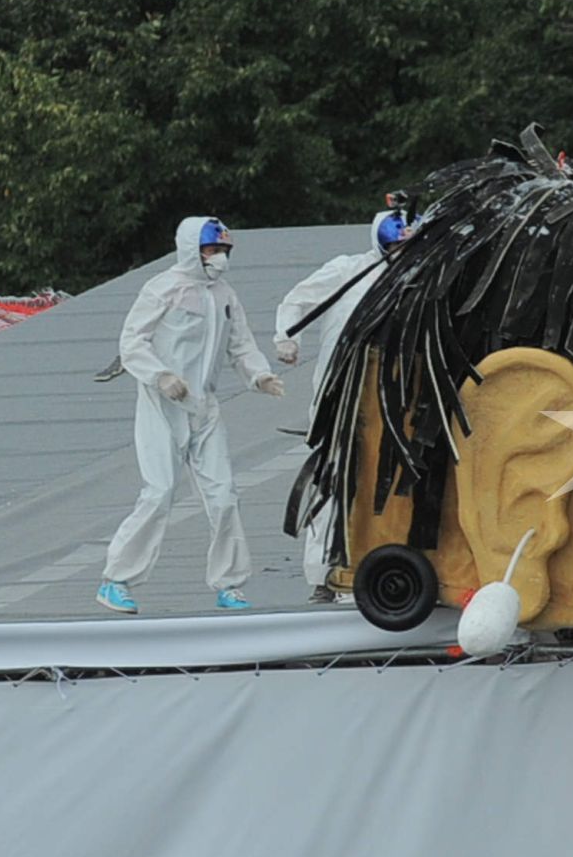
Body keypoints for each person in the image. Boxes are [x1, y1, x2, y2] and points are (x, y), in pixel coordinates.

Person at [96, 218, 285, 614]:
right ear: (191, 250)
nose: (219, 258)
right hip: (162, 403)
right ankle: (117, 579)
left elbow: (240, 345)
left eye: (222, 251)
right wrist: (160, 375)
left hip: (204, 406)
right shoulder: (162, 288)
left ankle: (229, 584)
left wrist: (260, 375)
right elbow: (131, 342)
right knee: (160, 491)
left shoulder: (224, 295)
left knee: (224, 496)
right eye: (212, 250)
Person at [273, 208, 414, 602]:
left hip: (387, 393)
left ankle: (371, 571)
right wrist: (286, 337)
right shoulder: (348, 270)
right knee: (335, 478)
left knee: (383, 482)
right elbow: (298, 299)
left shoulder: (413, 279)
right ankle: (322, 574)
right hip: (340, 392)